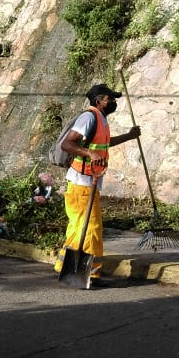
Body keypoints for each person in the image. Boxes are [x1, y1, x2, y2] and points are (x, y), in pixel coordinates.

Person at [56, 83, 140, 289]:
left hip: (87, 181)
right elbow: (67, 144)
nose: (113, 102)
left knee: (78, 225)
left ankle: (63, 265)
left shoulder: (101, 120)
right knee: (92, 227)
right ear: (98, 100)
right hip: (82, 183)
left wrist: (129, 136)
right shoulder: (89, 117)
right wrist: (88, 154)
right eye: (110, 98)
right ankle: (91, 273)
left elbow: (103, 144)